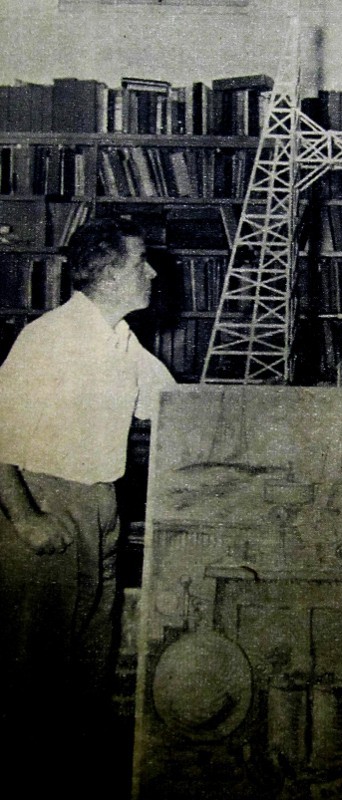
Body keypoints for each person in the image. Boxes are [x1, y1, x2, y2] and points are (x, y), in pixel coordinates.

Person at [0, 218, 176, 796]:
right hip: (46, 502)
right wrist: (26, 520)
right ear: (110, 274)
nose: (153, 273)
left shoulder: (119, 339)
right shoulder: (48, 338)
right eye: (141, 262)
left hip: (101, 504)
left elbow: (174, 405)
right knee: (34, 672)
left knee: (89, 665)